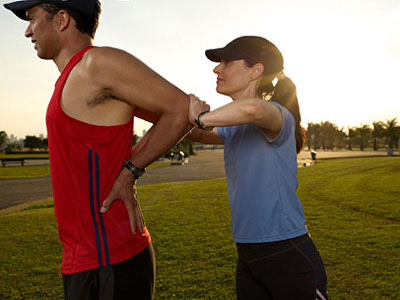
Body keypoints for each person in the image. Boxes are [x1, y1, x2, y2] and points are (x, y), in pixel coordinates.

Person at [4, 1, 201, 299]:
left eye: (32, 19)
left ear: (61, 19)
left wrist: (130, 171)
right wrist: (232, 128)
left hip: (109, 260)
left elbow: (178, 110)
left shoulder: (96, 64)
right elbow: (187, 120)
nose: (28, 31)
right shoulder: (75, 76)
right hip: (87, 261)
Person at [186, 36, 328, 300]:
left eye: (227, 62)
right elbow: (192, 132)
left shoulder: (278, 116)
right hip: (249, 255)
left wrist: (199, 117)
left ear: (256, 70)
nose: (217, 69)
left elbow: (252, 109)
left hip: (287, 252)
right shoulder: (232, 126)